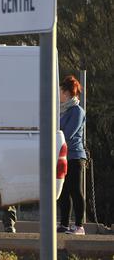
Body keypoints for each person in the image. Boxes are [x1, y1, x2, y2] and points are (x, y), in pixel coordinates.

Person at [57, 75, 87, 235]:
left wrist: (55, 139)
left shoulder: (77, 111)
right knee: (64, 191)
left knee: (75, 190)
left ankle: (79, 225)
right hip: (63, 156)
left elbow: (68, 133)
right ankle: (64, 224)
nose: (59, 94)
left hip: (75, 156)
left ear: (67, 92)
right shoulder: (62, 110)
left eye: (61, 91)